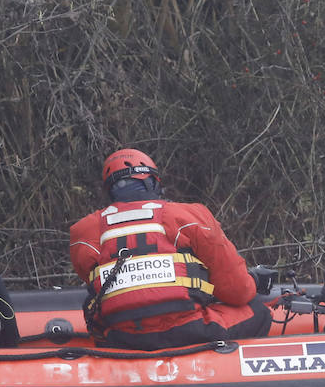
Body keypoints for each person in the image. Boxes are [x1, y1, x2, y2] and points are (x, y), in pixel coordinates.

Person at [69, 149, 270, 350]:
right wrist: (255, 280)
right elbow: (237, 292)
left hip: (122, 339)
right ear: (153, 182)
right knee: (259, 313)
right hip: (190, 330)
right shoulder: (187, 216)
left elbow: (96, 285)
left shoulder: (85, 232)